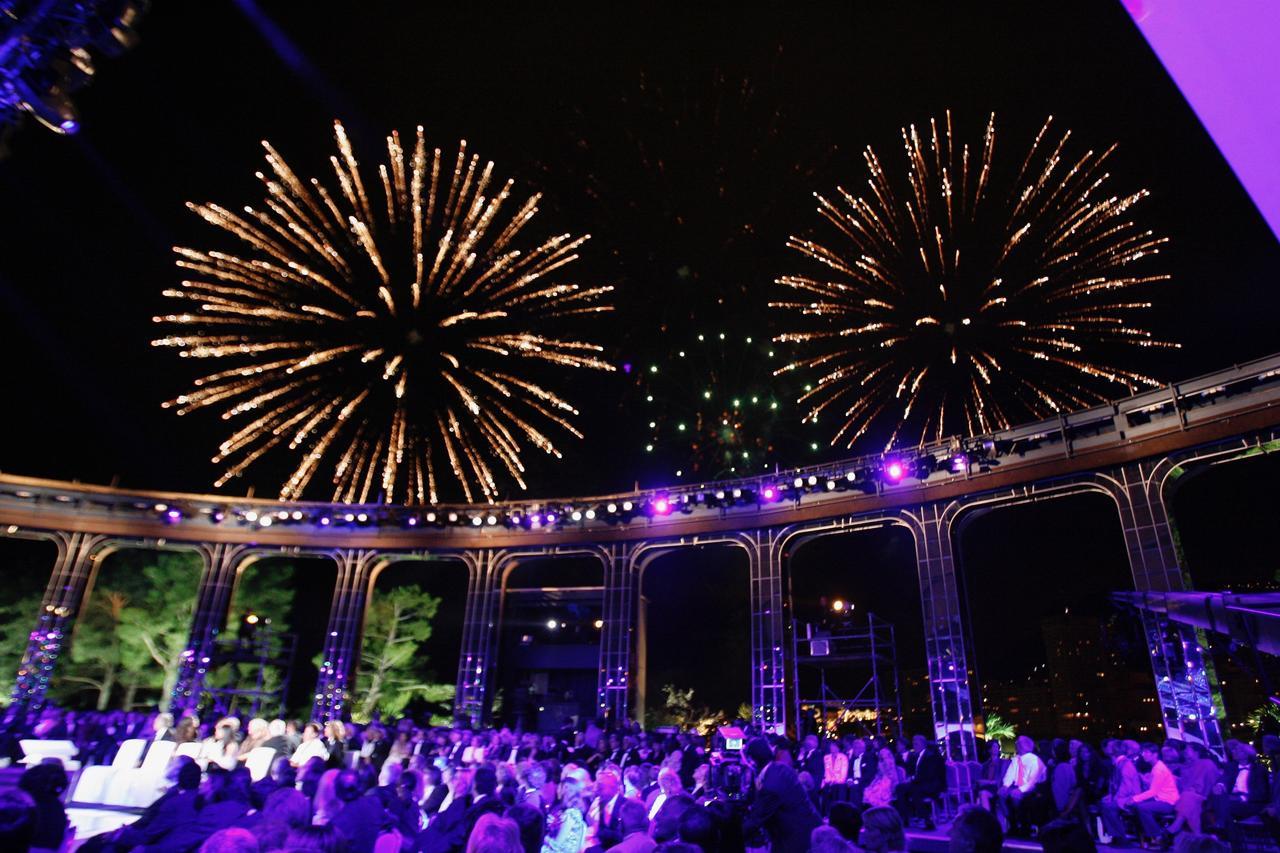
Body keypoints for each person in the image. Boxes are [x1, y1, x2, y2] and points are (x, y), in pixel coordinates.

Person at [740, 737, 821, 853]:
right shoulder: (778, 769)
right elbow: (751, 798)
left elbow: (757, 817)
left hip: (797, 837)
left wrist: (730, 838)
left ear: (752, 760)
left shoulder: (772, 784)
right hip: (796, 832)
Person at [997, 736, 1046, 836]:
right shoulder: (1016, 759)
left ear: (1023, 746)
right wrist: (1005, 786)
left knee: (1016, 797)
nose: (1016, 745)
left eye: (1018, 743)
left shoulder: (1034, 760)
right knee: (1001, 795)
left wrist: (1021, 790)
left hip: (1034, 788)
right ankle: (1013, 823)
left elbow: (1033, 781)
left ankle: (1023, 825)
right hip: (1018, 786)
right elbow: (1010, 774)